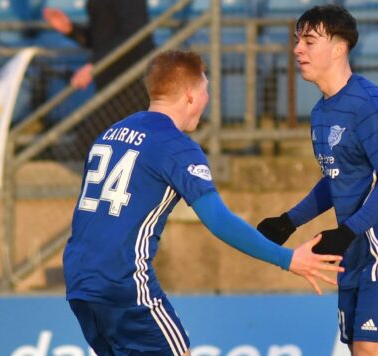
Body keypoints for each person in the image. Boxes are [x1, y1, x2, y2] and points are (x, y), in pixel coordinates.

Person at [63, 50, 344, 355]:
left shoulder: (110, 133)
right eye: (205, 90)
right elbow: (219, 220)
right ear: (189, 95)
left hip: (80, 282)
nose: (207, 98)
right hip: (123, 282)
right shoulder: (176, 146)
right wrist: (287, 258)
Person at [257, 5, 378, 356]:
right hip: (353, 256)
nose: (297, 50)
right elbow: (336, 179)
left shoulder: (370, 103)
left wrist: (347, 231)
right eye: (296, 41)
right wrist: (289, 221)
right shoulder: (321, 111)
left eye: (308, 40)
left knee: (369, 351)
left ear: (339, 47)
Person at [43, 0, 154, 150]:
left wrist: (94, 65)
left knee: (95, 145)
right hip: (109, 83)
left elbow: (134, 37)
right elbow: (102, 40)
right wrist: (71, 29)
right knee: (100, 147)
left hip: (132, 82)